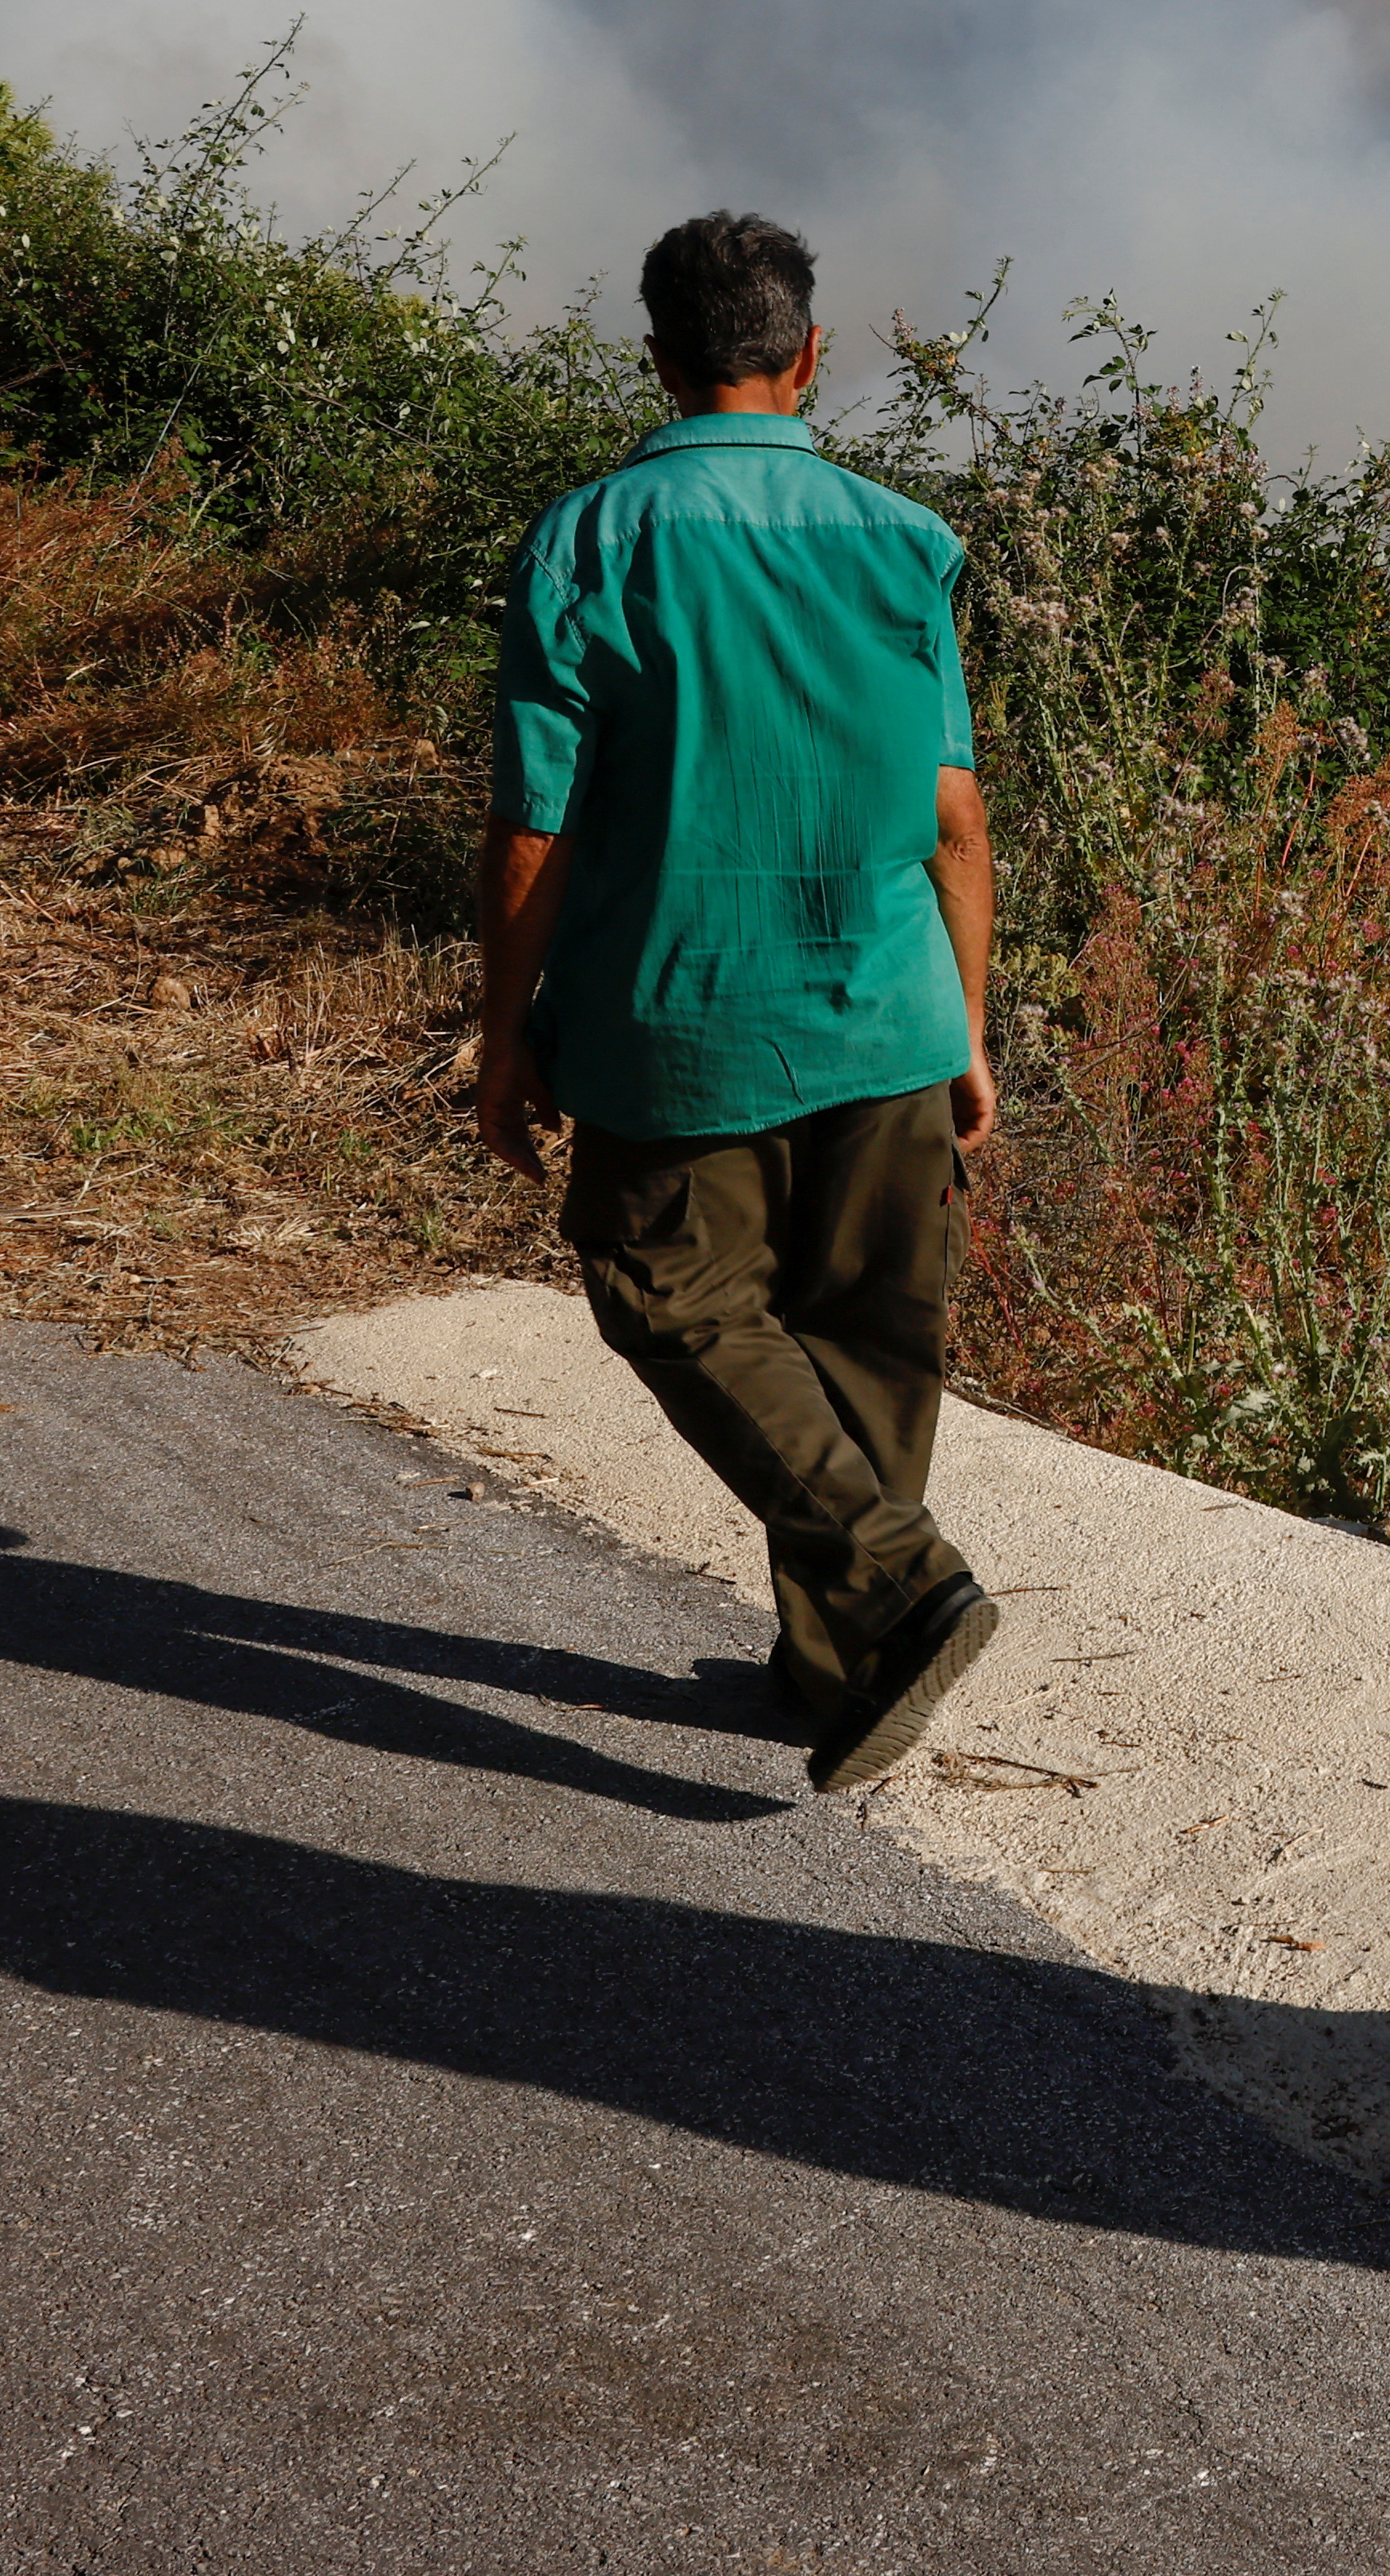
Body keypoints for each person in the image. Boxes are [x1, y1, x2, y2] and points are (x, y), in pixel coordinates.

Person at [472, 211, 1010, 1800]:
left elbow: (531, 829)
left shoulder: (588, 541)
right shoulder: (901, 541)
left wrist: (505, 1036)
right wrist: (969, 1031)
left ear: (657, 358)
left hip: (677, 1015)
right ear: (810, 352)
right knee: (865, 1329)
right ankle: (844, 1652)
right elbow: (955, 817)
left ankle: (892, 1590)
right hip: (890, 1011)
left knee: (656, 1274)